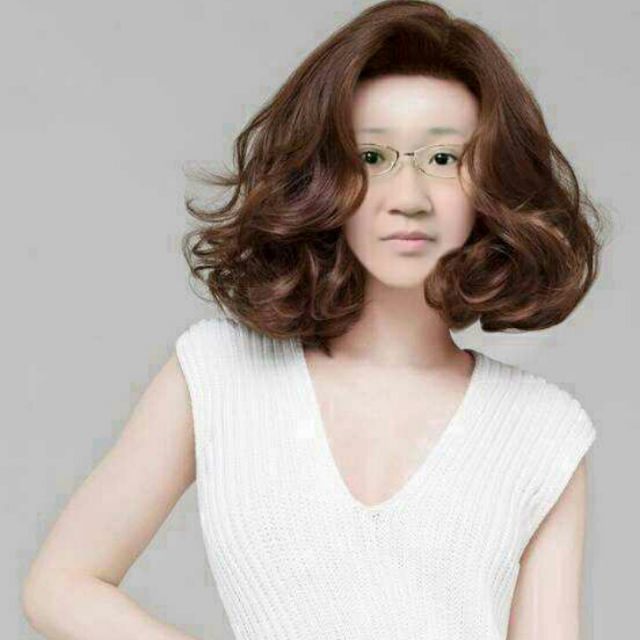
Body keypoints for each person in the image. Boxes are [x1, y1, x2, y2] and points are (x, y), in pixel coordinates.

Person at [22, 1, 609, 639]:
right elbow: (61, 585)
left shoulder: (541, 430)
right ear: (326, 176)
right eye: (372, 157)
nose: (408, 199)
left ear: (489, 185)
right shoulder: (220, 373)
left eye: (443, 160)